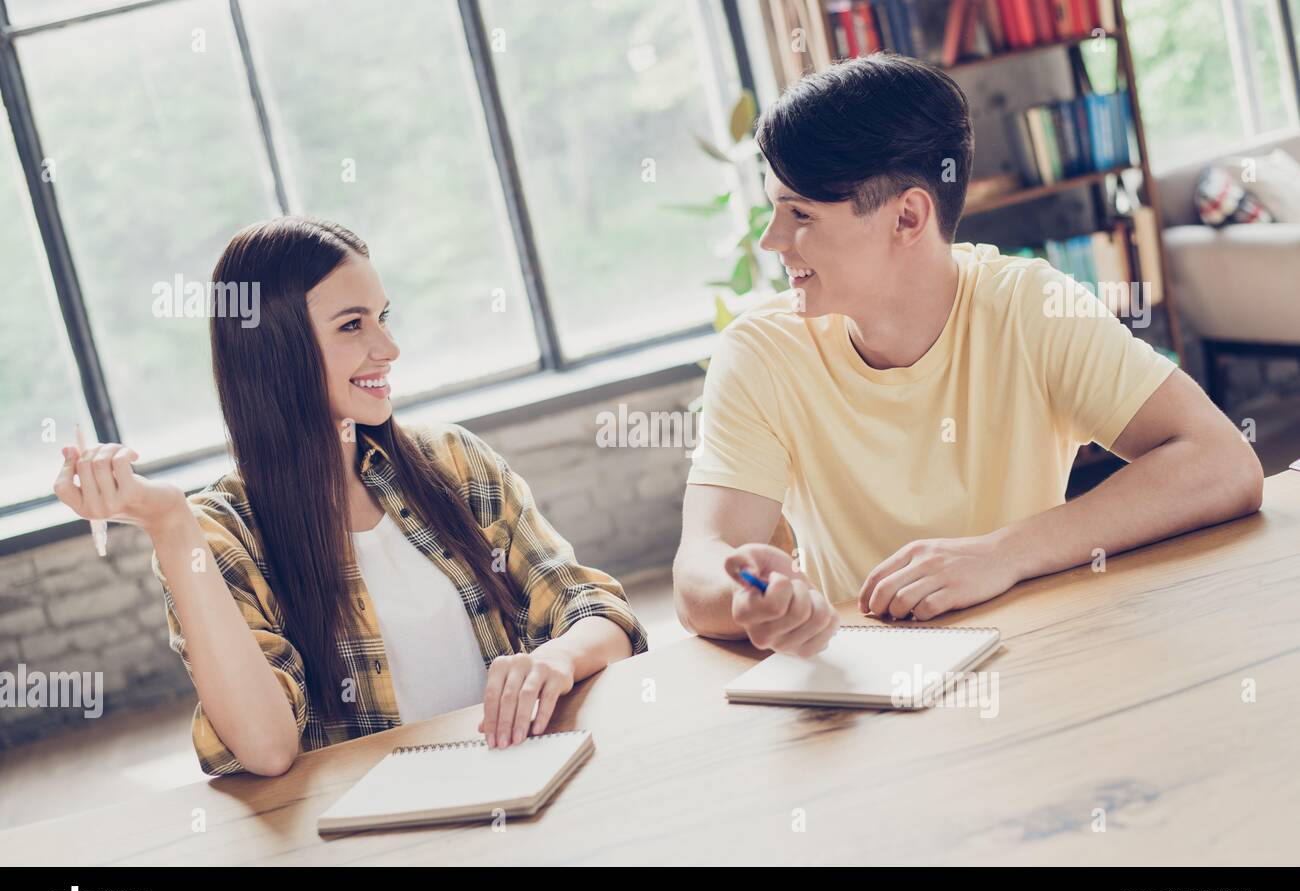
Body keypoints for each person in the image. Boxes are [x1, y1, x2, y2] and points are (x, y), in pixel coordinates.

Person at [673, 53, 1263, 656]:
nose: (772, 240)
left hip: (1037, 646)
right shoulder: (759, 353)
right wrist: (750, 598)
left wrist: (1001, 554)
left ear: (907, 216)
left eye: (800, 214)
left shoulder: (1030, 307)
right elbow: (698, 572)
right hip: (860, 672)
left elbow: (1222, 463)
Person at [53, 216, 647, 776]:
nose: (387, 348)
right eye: (352, 324)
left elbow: (600, 613)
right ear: (275, 350)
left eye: (384, 317)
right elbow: (266, 748)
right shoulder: (220, 532)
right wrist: (170, 526)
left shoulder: (451, 461)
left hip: (527, 784)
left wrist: (558, 657)